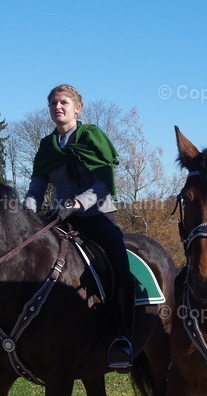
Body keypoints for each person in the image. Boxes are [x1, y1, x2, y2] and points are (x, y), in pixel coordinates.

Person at [24, 84, 133, 370]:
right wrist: (26, 211)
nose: (57, 107)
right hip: (58, 219)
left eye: (63, 102)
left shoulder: (92, 136)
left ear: (77, 108)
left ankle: (123, 336)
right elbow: (37, 187)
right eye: (52, 103)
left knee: (119, 264)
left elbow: (104, 182)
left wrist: (78, 203)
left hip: (95, 216)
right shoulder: (47, 146)